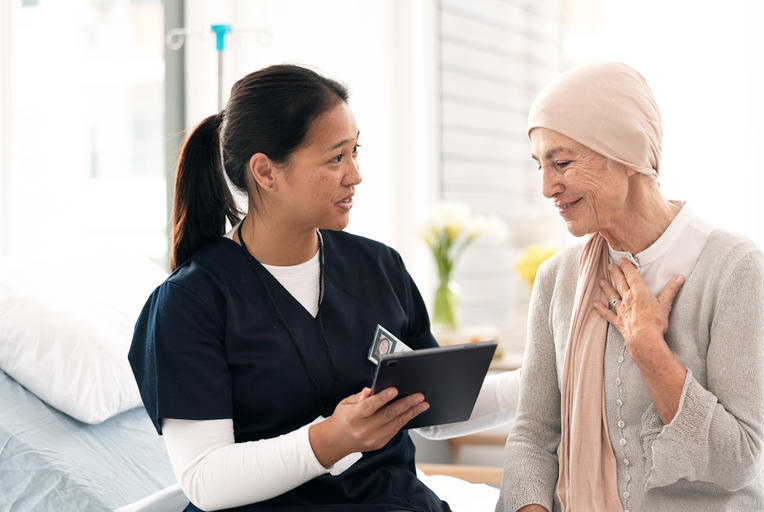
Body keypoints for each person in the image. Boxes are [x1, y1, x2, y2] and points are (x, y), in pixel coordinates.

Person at [128, 64, 515, 512]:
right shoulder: (192, 302)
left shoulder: (378, 267)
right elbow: (206, 480)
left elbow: (436, 407)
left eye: (355, 152)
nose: (355, 175)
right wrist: (330, 440)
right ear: (266, 173)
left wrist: (558, 374)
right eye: (336, 158)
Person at [497, 62, 764, 512]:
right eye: (539, 166)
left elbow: (738, 459)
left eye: (562, 162)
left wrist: (647, 345)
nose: (547, 187)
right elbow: (532, 435)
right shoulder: (557, 279)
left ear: (623, 155)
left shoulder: (734, 267)